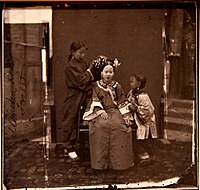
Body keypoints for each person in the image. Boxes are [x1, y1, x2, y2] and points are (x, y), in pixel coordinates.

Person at [83, 56, 134, 170]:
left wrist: (125, 115)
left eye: (111, 72)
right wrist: (100, 110)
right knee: (100, 126)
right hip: (100, 111)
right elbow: (94, 100)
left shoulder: (117, 86)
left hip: (115, 111)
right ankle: (100, 164)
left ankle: (119, 164)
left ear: (113, 73)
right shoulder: (95, 86)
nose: (108, 74)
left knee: (120, 127)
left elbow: (122, 101)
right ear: (101, 73)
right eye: (106, 72)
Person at [61, 41, 95, 160]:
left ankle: (78, 144)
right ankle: (69, 147)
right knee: (71, 119)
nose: (82, 55)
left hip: (83, 93)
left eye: (84, 53)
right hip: (74, 95)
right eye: (80, 53)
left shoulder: (82, 62)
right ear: (73, 52)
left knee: (86, 117)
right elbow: (82, 81)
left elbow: (88, 77)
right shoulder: (70, 65)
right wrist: (90, 71)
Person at [127, 73, 158, 165]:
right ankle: (142, 155)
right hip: (137, 118)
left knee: (145, 139)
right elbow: (128, 100)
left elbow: (148, 111)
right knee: (138, 139)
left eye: (132, 82)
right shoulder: (132, 92)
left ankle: (148, 157)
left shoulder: (143, 96)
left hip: (145, 121)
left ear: (139, 84)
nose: (130, 84)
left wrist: (135, 108)